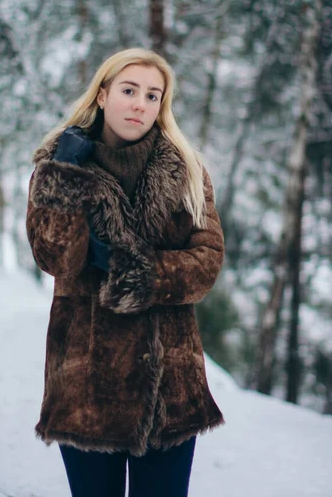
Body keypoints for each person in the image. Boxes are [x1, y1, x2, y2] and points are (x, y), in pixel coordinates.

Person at [26, 47, 225, 497]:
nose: (141, 103)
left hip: (170, 391)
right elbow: (55, 259)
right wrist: (66, 173)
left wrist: (132, 272)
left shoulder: (189, 170)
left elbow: (206, 263)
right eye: (129, 90)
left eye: (153, 95)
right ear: (102, 94)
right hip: (87, 386)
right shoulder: (58, 167)